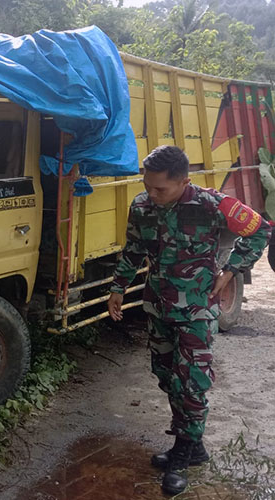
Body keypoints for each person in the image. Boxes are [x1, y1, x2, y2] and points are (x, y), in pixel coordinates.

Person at [107, 145, 271, 495]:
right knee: (167, 376)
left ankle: (184, 450)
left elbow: (259, 230)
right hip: (158, 307)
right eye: (147, 185)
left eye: (160, 189)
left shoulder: (212, 205)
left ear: (184, 182)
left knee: (191, 382)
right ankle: (193, 444)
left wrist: (230, 271)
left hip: (196, 310)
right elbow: (133, 248)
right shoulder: (142, 206)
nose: (152, 194)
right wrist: (118, 287)